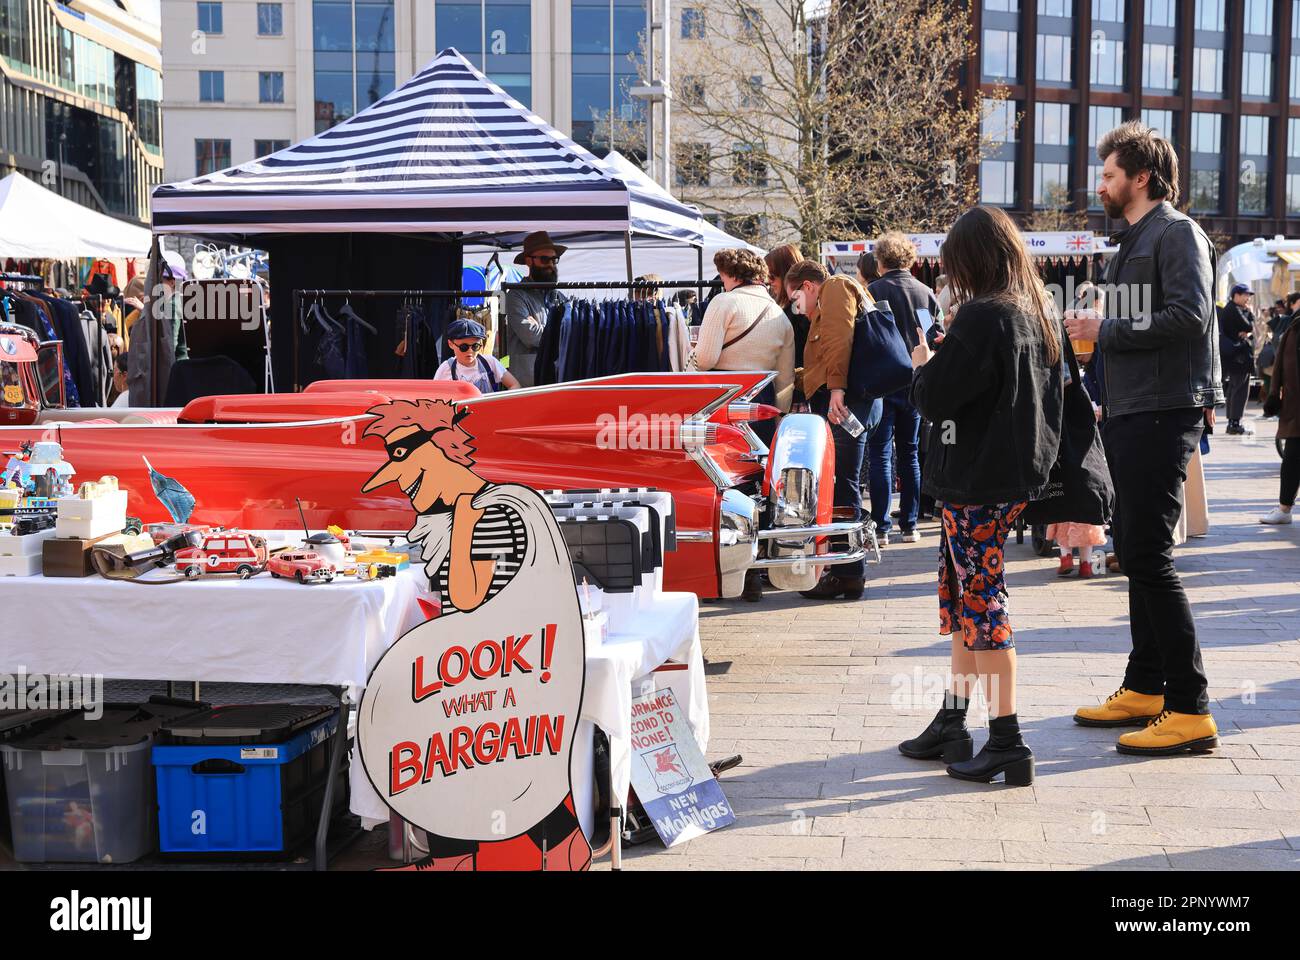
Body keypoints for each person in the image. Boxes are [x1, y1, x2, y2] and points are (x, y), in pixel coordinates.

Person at [1066, 120, 1222, 756]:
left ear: (1142, 179)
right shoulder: (1133, 239)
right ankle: (1146, 686)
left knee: (1150, 553)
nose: (1099, 183)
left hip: (1164, 409)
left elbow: (1191, 317)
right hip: (1134, 408)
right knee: (1134, 548)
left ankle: (1190, 707)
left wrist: (1104, 329)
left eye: (1109, 174)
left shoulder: (1177, 232)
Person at [901, 205, 1063, 787]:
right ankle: (953, 720)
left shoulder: (983, 315)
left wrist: (924, 362)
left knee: (983, 607)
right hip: (1010, 478)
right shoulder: (1038, 309)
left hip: (977, 481)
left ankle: (1007, 741)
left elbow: (935, 397)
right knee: (968, 603)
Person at [784, 259, 883, 600]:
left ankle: (848, 572)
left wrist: (837, 389)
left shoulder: (835, 288)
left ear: (808, 286)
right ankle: (846, 570)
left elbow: (839, 341)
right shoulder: (832, 293)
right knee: (842, 483)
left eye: (795, 299)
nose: (796, 309)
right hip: (849, 399)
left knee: (843, 484)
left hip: (846, 401)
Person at [866, 233, 944, 545]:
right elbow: (931, 334)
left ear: (880, 261)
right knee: (910, 453)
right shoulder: (924, 293)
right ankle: (910, 523)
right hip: (915, 379)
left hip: (882, 383)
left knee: (880, 454)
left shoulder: (872, 292)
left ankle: (881, 526)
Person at [503, 231, 569, 387]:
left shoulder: (560, 296)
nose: (551, 265)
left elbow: (570, 333)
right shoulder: (515, 295)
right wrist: (558, 332)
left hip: (555, 377)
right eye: (545, 259)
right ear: (528, 261)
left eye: (554, 260)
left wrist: (544, 329)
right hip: (527, 382)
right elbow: (530, 336)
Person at [1261, 316, 1300, 524]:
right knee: (1292, 457)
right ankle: (1284, 508)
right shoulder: (1293, 329)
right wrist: (1274, 395)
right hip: (1296, 408)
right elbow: (1279, 369)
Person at [765, 243, 807, 407]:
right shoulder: (797, 300)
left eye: (772, 276)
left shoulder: (800, 302)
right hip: (795, 384)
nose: (770, 282)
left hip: (799, 389)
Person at [434, 318, 519, 393]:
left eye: (475, 346)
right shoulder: (445, 368)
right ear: (450, 344)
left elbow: (515, 385)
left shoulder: (489, 362)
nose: (470, 351)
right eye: (464, 347)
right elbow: (435, 397)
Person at [1218, 283, 1255, 435]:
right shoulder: (1233, 309)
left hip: (1236, 356)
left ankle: (1233, 422)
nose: (1248, 299)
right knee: (1240, 389)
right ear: (1236, 295)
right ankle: (1234, 422)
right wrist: (1249, 314)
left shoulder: (1233, 309)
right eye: (1246, 295)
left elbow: (1247, 330)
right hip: (1238, 356)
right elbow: (1249, 326)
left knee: (1236, 388)